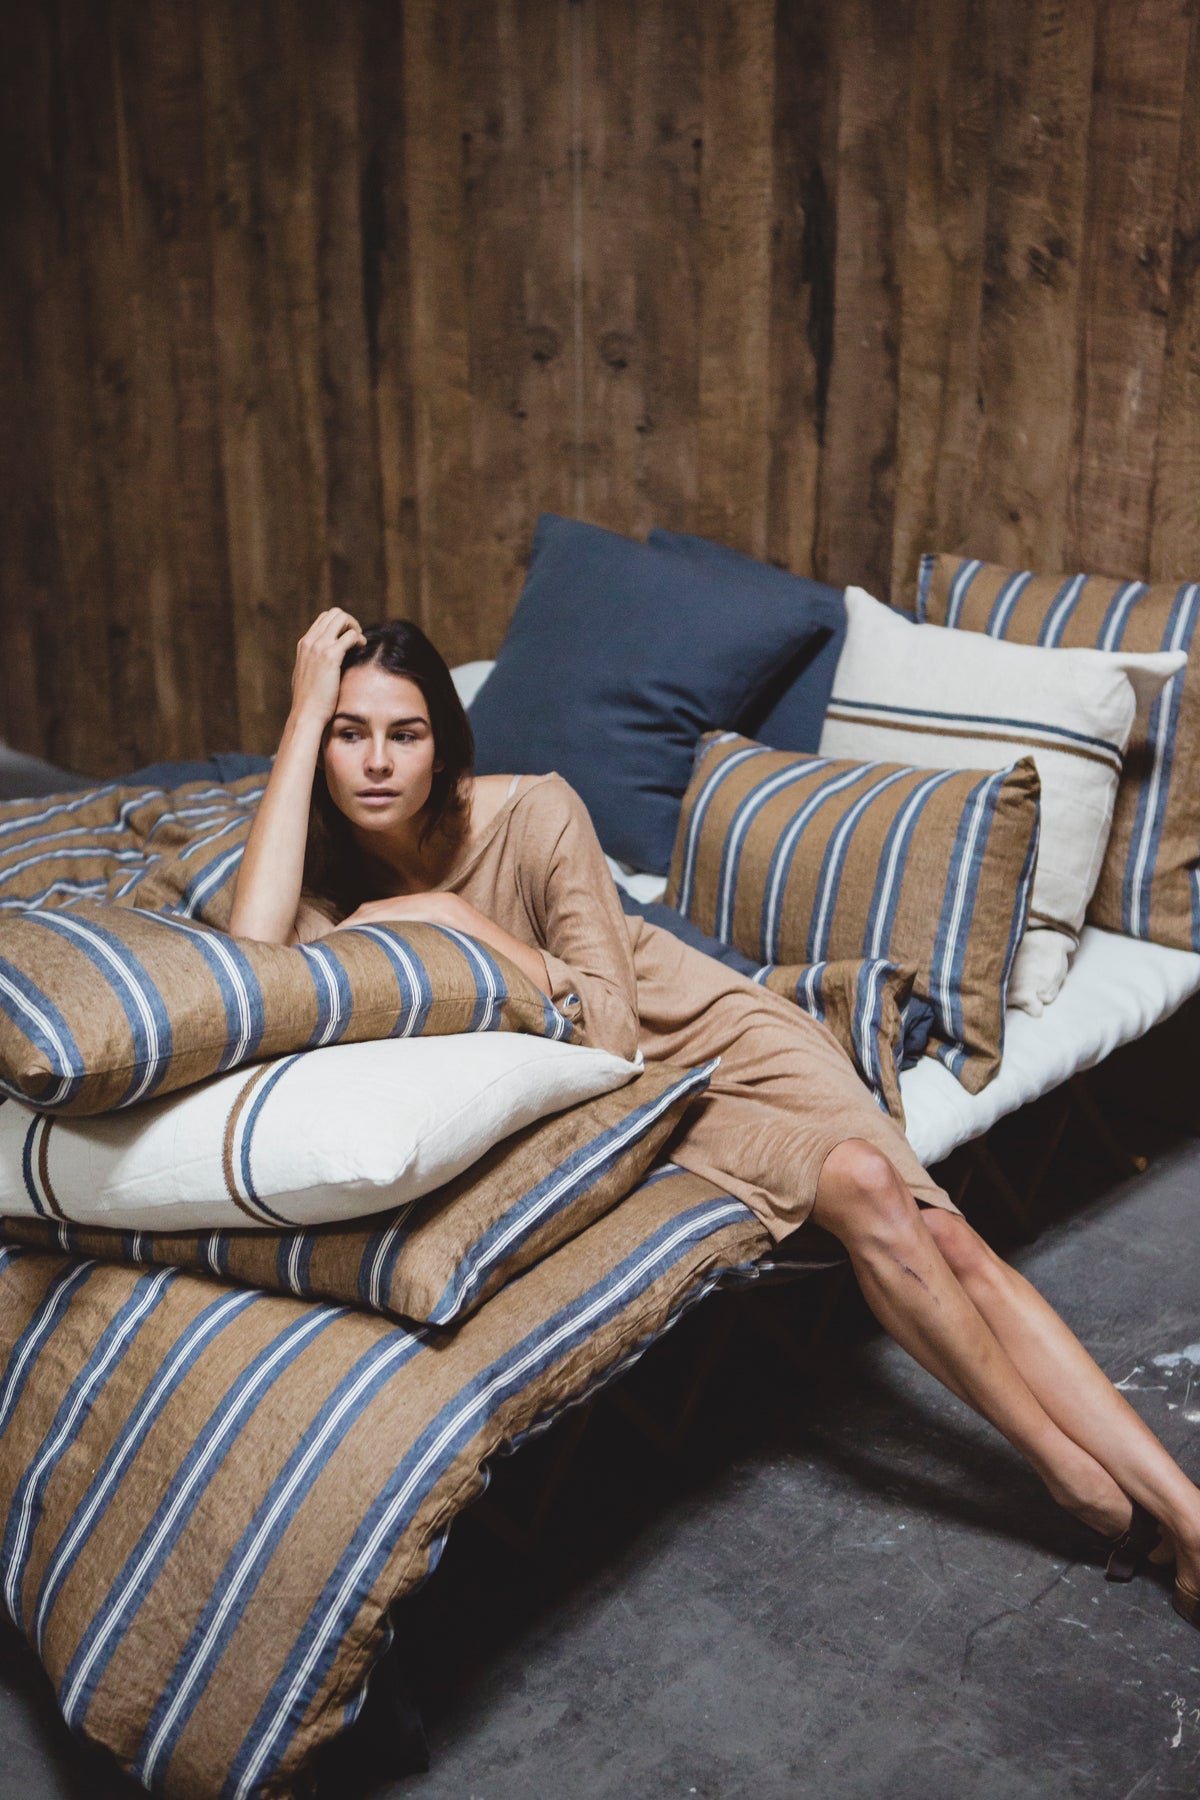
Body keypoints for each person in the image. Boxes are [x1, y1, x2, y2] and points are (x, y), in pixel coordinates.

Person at [229, 607, 1200, 1631]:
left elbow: (612, 1029)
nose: (378, 762)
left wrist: (457, 922)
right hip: (641, 1100)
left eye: (406, 732)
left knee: (947, 1232)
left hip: (700, 1025)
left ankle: (1183, 1511)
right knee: (869, 1189)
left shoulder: (535, 809)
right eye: (347, 733)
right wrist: (298, 717)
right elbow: (248, 967)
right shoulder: (329, 889)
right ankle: (1076, 1482)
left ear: (444, 742)